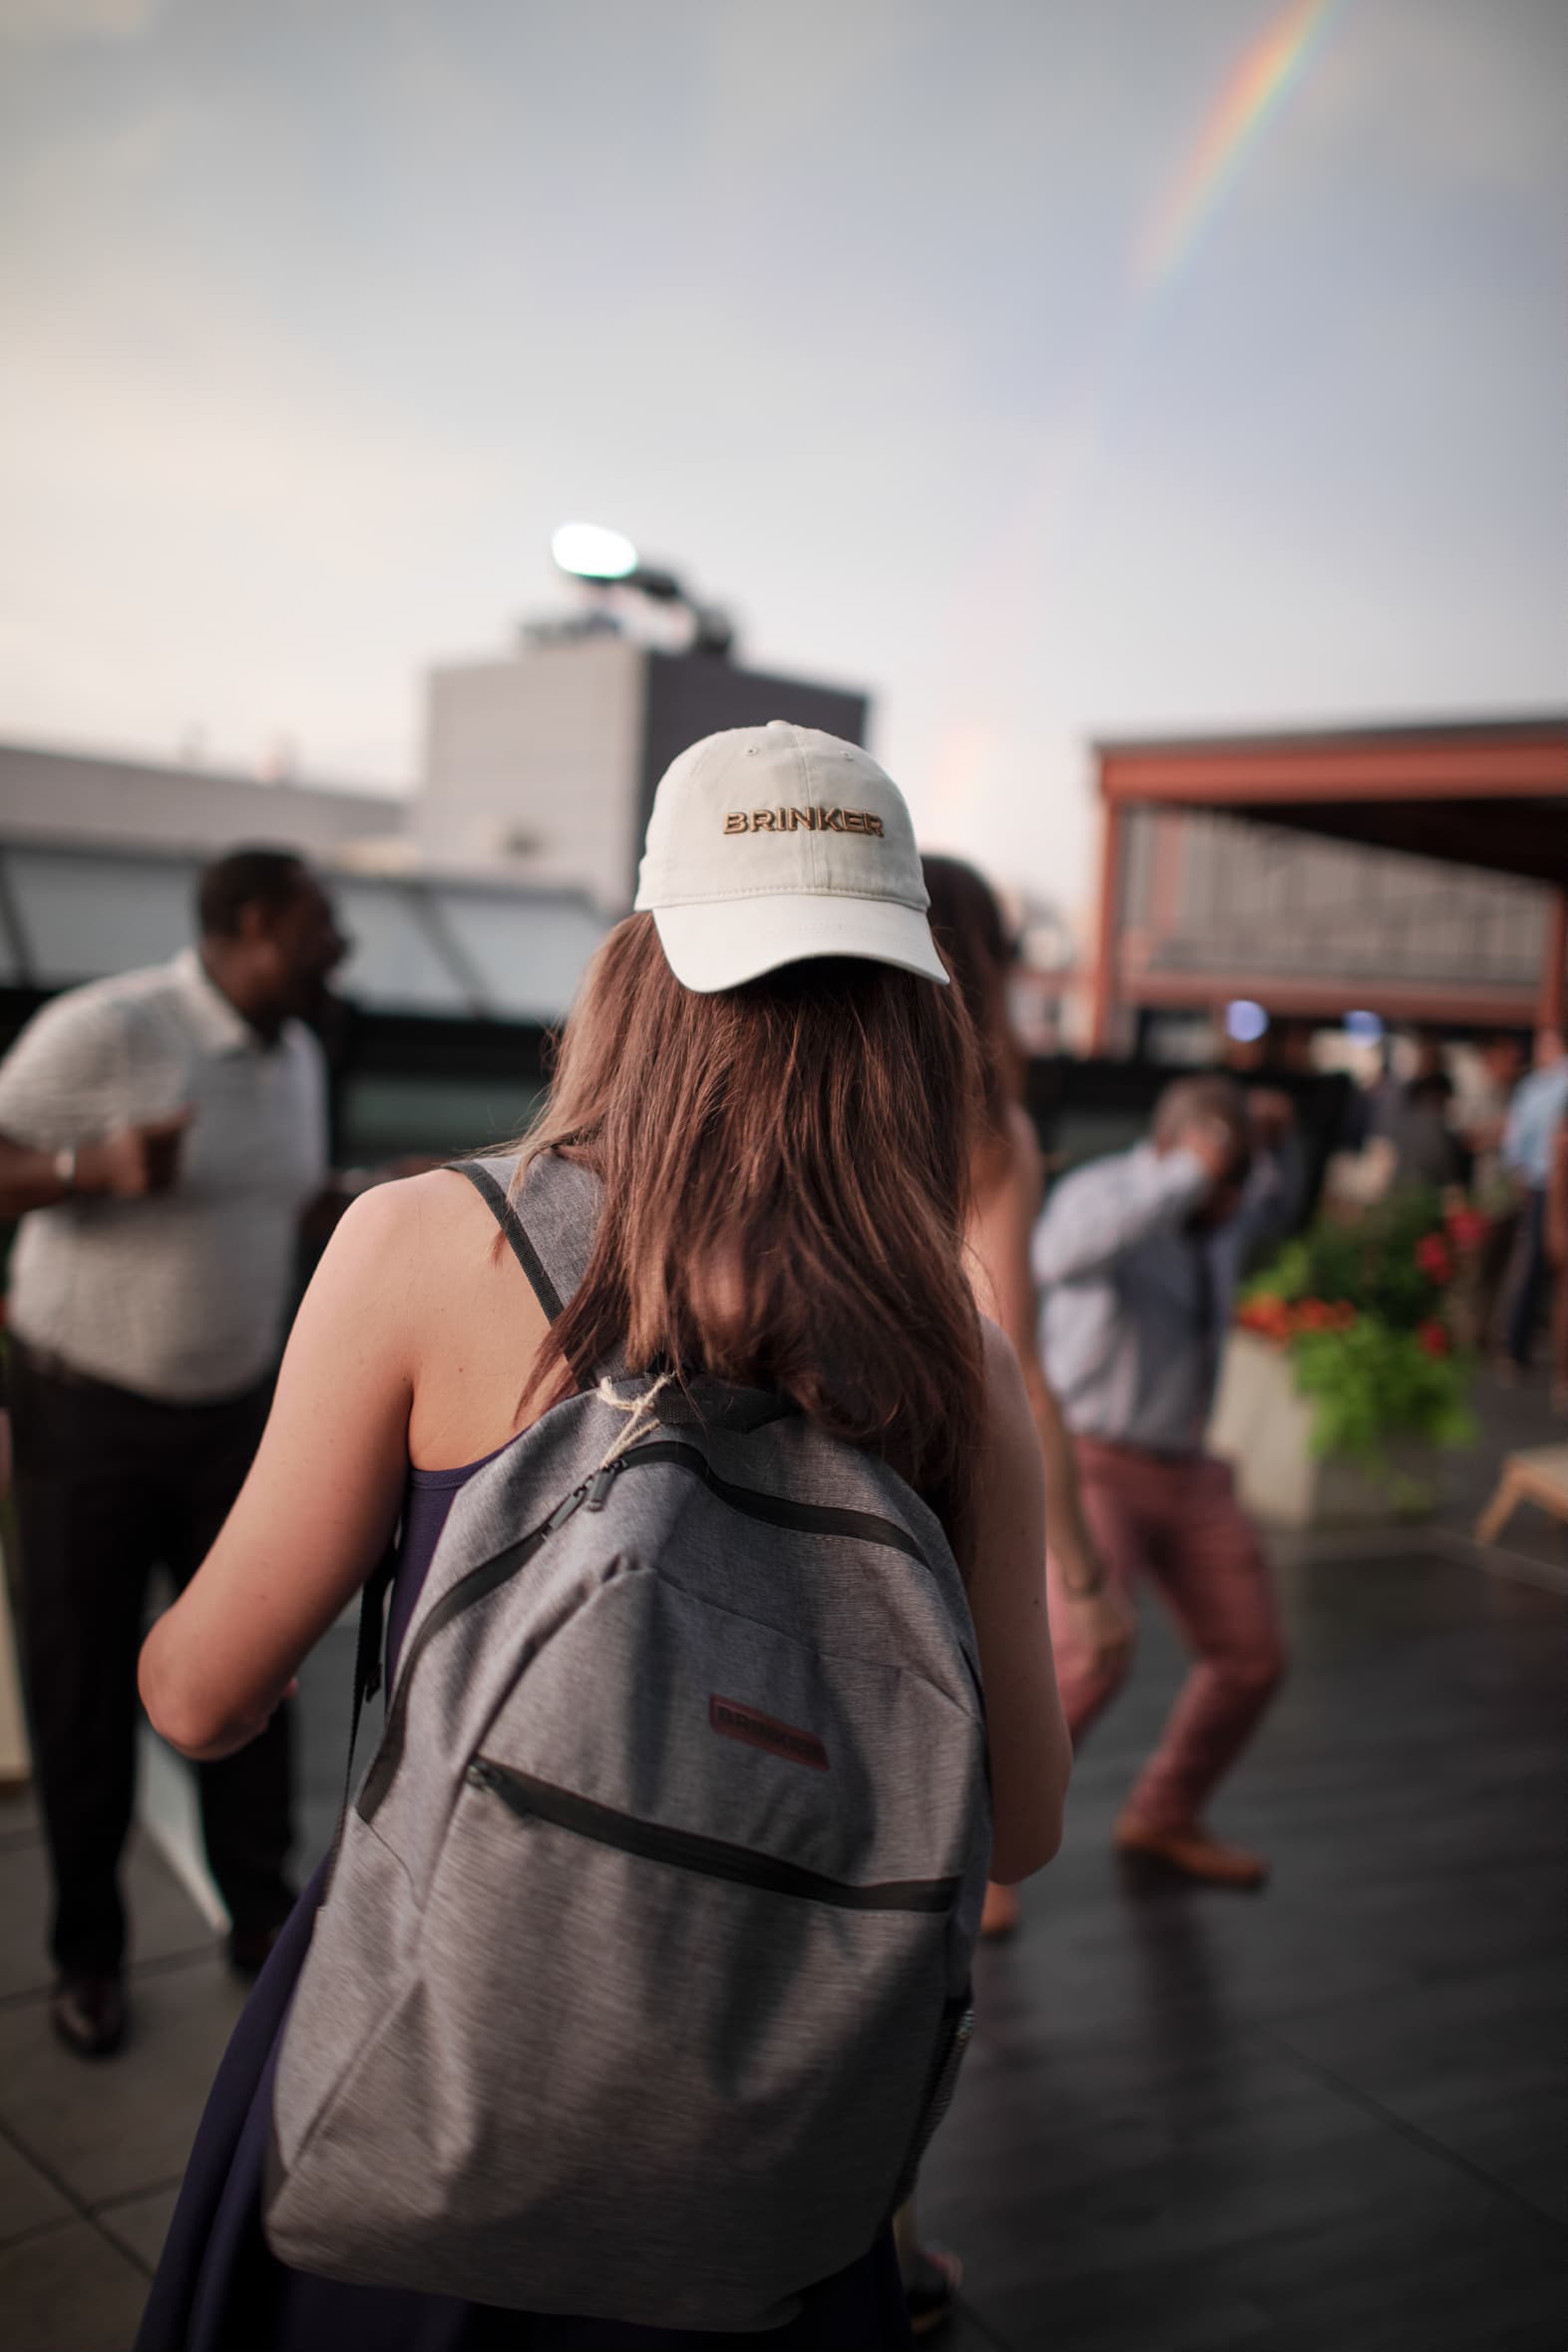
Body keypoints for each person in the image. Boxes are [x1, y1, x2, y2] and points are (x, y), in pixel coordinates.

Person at [133, 722, 1071, 2352]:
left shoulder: (430, 1240)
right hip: (765, 2144)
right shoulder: (956, 1354)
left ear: (634, 968)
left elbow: (201, 1698)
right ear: (913, 1001)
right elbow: (1023, 1821)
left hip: (432, 2092)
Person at [0, 848, 346, 2058]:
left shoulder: (299, 1054)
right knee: (83, 1693)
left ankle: (262, 1925)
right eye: (320, 927)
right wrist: (86, 1168)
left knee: (255, 1678)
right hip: (85, 1418)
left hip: (234, 1420)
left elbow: (275, 1199)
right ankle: (87, 1957)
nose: (339, 948)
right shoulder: (106, 1030)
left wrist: (370, 1195)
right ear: (251, 925)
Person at [923, 855, 1129, 1946]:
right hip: (924, 1489)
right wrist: (1085, 1576)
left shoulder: (791, 1088)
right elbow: (1016, 1365)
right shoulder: (985, 1124)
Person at [1033, 1074, 1296, 1889]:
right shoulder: (1103, 1193)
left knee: (1253, 1657)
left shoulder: (1221, 1206)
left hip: (1186, 1466)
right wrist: (1188, 1170)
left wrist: (1265, 1149)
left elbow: (1273, 1205)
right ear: (1180, 1152)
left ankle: (1164, 1812)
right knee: (1085, 1662)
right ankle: (978, 1862)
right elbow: (1058, 1256)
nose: (1232, 1203)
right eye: (1221, 1181)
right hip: (1090, 1461)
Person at [1498, 1026, 1568, 1375]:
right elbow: (1517, 1135)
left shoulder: (1559, 1083)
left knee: (1539, 1265)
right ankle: (1517, 1345)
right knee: (1535, 1263)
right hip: (1542, 1184)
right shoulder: (1536, 1086)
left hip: (1552, 1184)